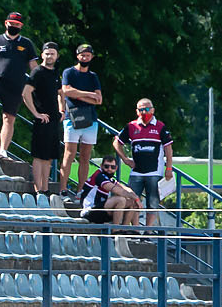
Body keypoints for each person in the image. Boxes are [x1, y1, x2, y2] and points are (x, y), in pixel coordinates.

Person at [0, 12, 36, 171]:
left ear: (21, 26)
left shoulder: (27, 44)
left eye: (17, 24)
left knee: (9, 118)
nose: (13, 26)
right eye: (11, 23)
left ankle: (3, 149)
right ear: (5, 23)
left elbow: (33, 66)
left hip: (16, 85)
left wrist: (37, 82)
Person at [118, 98, 170, 226]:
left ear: (152, 110)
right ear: (137, 111)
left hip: (154, 172)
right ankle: (133, 229)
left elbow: (168, 148)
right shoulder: (131, 126)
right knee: (132, 200)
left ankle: (148, 231)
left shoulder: (160, 126)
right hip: (136, 172)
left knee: (152, 203)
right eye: (141, 109)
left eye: (147, 109)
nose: (144, 112)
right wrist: (125, 159)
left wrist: (169, 168)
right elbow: (116, 142)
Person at [59, 44, 103, 191]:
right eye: (82, 55)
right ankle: (63, 188)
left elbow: (99, 100)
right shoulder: (69, 72)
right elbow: (66, 91)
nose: (85, 58)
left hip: (90, 119)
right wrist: (89, 94)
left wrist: (78, 94)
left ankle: (80, 190)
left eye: (88, 55)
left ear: (92, 57)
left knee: (85, 157)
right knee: (69, 154)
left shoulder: (93, 76)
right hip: (72, 117)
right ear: (77, 56)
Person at [24, 43, 64, 197]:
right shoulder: (37, 72)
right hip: (42, 119)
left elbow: (61, 92)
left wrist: (62, 110)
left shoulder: (55, 73)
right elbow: (26, 93)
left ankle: (45, 189)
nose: (49, 56)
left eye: (52, 54)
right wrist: (36, 113)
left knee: (48, 157)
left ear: (57, 56)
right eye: (47, 53)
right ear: (42, 55)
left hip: (54, 120)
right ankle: (38, 188)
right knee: (39, 156)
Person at [73, 153, 141, 232]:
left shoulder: (109, 178)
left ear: (116, 168)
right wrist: (135, 197)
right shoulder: (99, 176)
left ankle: (129, 230)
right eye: (106, 166)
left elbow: (126, 188)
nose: (109, 169)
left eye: (112, 167)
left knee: (132, 202)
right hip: (89, 211)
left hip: (101, 209)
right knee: (120, 200)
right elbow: (116, 189)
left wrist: (136, 199)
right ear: (101, 166)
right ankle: (116, 231)